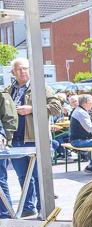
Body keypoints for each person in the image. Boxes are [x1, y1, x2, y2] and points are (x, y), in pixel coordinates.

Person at [7, 58, 61, 218]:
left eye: (25, 68)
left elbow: (56, 108)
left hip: (35, 138)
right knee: (23, 176)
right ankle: (28, 207)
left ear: (30, 70)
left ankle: (44, 209)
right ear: (13, 72)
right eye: (19, 69)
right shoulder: (8, 91)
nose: (22, 72)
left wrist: (32, 109)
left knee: (39, 176)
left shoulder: (40, 87)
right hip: (15, 139)